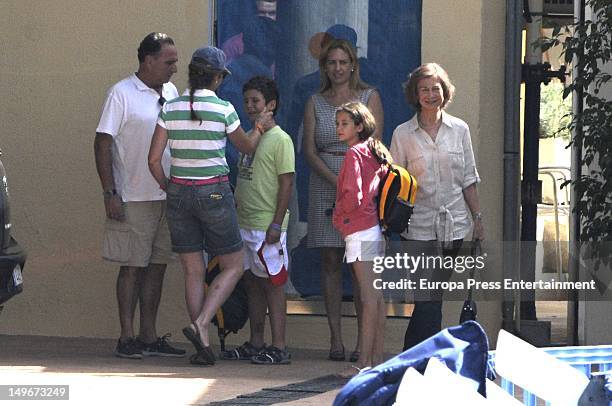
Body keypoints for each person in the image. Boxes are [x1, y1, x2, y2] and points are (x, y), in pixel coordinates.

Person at [148, 46, 272, 366]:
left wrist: (168, 185)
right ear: (217, 77)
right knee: (235, 263)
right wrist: (258, 127)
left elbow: (153, 159)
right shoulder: (224, 108)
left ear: (191, 73)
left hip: (178, 193)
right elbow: (245, 148)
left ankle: (201, 343)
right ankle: (202, 323)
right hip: (214, 192)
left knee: (192, 269)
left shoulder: (170, 107)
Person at [94, 32, 186, 359]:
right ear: (148, 60)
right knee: (132, 266)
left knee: (157, 265)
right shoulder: (121, 94)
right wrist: (110, 192)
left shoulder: (172, 92)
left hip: (167, 195)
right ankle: (126, 336)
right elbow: (102, 143)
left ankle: (148, 334)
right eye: (169, 61)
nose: (175, 67)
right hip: (132, 196)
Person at [389, 63, 484, 350]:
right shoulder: (403, 134)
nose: (431, 95)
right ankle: (419, 360)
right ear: (415, 95)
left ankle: (416, 360)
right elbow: (394, 182)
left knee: (432, 297)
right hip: (416, 228)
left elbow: (469, 179)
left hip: (452, 226)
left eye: (436, 89)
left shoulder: (460, 130)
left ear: (444, 92)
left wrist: (477, 219)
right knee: (428, 299)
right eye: (424, 90)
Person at [303, 38, 384, 363]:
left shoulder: (369, 97)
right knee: (330, 262)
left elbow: (377, 146)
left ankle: (363, 347)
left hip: (360, 191)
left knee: (361, 270)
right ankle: (335, 339)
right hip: (326, 182)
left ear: (353, 65)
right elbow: (308, 149)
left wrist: (351, 186)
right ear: (324, 67)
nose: (337, 68)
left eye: (342, 62)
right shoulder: (315, 101)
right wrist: (337, 182)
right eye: (331, 63)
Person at [221, 76, 294, 365]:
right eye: (247, 101)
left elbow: (286, 184)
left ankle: (279, 346)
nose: (250, 106)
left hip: (267, 226)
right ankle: (256, 342)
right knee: (252, 283)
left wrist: (276, 224)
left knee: (274, 285)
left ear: (271, 105)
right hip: (245, 222)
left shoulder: (281, 139)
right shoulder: (249, 137)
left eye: (256, 101)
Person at [332, 102, 389, 377]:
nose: (339, 128)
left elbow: (353, 196)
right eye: (338, 123)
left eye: (344, 123)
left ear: (358, 126)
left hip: (358, 228)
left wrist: (339, 214)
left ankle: (363, 363)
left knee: (368, 298)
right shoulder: (375, 150)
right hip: (375, 229)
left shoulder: (354, 153)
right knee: (375, 298)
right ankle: (376, 358)